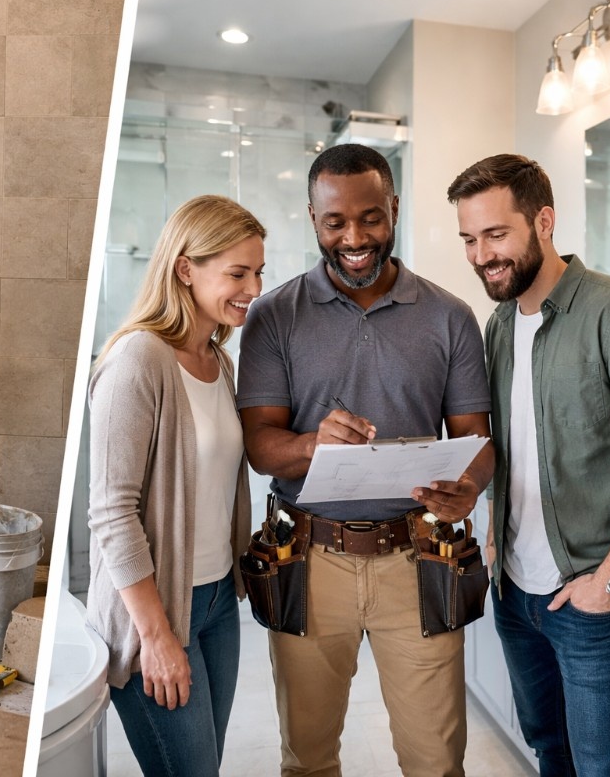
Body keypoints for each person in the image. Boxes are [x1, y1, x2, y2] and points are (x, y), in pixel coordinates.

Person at [237, 143, 494, 776]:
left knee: (436, 762)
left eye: (371, 218)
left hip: (420, 559)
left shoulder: (450, 317)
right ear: (313, 218)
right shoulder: (273, 316)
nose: (355, 237)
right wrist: (308, 446)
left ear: (394, 210)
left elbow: (477, 440)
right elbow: (259, 445)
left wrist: (468, 487)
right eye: (335, 222)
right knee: (308, 760)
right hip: (310, 561)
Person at [447, 153, 610, 776]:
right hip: (516, 594)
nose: (482, 255)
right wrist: (471, 500)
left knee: (606, 767)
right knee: (550, 753)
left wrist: (608, 583)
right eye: (470, 240)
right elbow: (516, 450)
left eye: (497, 234)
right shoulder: (500, 325)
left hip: (597, 598)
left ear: (544, 221)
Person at [86, 194, 264, 776]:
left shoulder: (219, 363)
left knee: (204, 765)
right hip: (156, 611)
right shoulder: (138, 360)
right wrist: (156, 636)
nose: (253, 288)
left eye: (258, 271)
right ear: (185, 269)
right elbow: (112, 513)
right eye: (237, 272)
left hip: (215, 600)